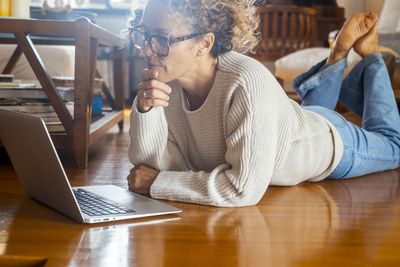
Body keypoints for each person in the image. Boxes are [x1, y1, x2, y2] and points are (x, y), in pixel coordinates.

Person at [127, 0, 400, 207]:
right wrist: (146, 110)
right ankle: (337, 55)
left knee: (393, 145)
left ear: (204, 43)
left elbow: (242, 189)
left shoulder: (247, 82)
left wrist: (158, 184)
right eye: (143, 34)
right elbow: (151, 169)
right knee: (305, 116)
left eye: (161, 39)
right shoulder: (167, 85)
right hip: (291, 124)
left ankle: (371, 57)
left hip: (328, 142)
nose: (148, 49)